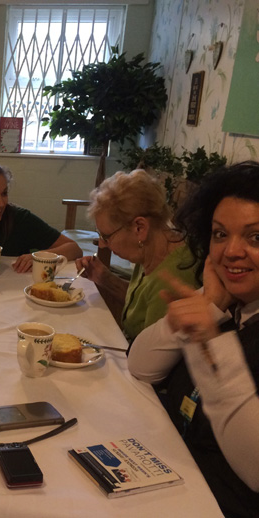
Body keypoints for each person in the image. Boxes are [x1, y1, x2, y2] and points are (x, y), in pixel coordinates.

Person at [128, 161, 259, 517]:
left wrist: (211, 343)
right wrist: (209, 304)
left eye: (255, 237)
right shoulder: (232, 305)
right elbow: (140, 365)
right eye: (220, 234)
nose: (231, 251)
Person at [74, 169, 198, 343]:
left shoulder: (173, 277)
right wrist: (105, 279)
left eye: (106, 236)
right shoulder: (152, 247)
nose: (102, 244)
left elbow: (152, 358)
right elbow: (140, 304)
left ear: (139, 228)